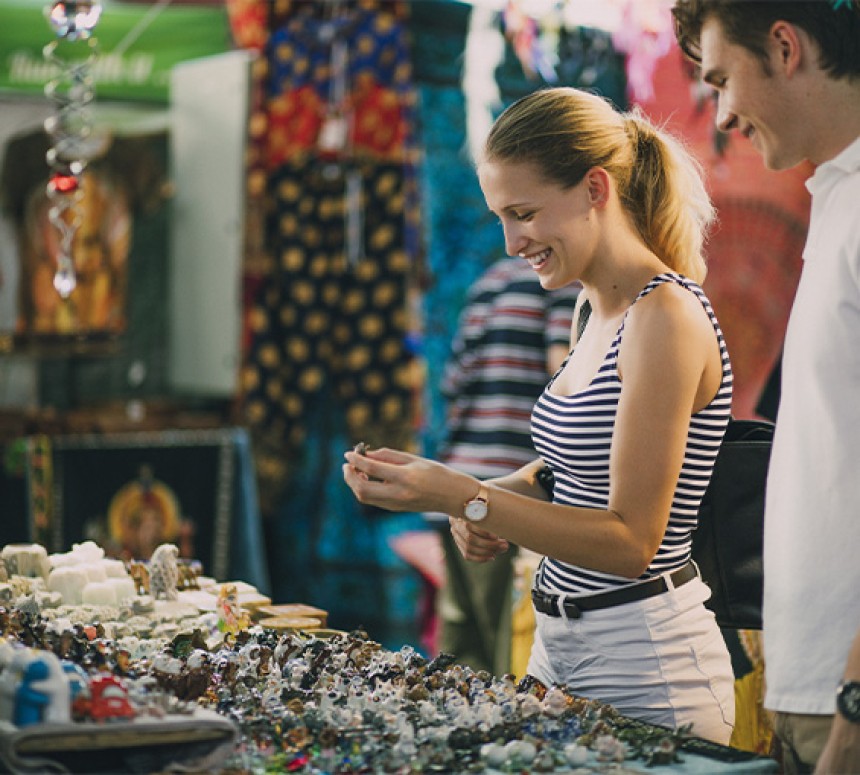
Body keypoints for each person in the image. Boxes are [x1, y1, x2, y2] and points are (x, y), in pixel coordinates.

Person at [345, 86, 736, 743]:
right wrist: (442, 491)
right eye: (501, 216)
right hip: (562, 650)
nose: (509, 241)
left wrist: (470, 499)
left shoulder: (664, 315)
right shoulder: (594, 309)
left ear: (594, 189)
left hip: (646, 667)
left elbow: (630, 541)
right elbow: (564, 472)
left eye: (522, 212)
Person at [671, 3, 860, 772]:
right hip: (807, 691)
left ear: (785, 47)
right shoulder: (838, 192)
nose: (721, 115)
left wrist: (851, 705)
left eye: (722, 80)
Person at [430, 256, 578, 675]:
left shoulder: (487, 282)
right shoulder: (562, 286)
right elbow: (564, 374)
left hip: (461, 481)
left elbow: (453, 383)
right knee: (505, 650)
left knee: (460, 650)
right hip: (513, 489)